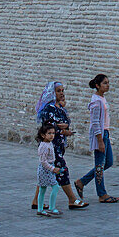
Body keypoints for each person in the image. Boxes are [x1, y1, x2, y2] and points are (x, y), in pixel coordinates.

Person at [32, 81, 88, 210]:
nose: (61, 93)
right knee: (62, 170)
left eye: (63, 90)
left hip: (59, 145)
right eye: (58, 91)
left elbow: (65, 122)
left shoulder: (60, 107)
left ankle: (36, 200)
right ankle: (72, 199)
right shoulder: (49, 109)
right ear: (52, 93)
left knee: (45, 173)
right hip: (51, 146)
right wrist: (61, 130)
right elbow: (47, 128)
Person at [74, 73, 119, 204]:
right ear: (97, 85)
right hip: (100, 135)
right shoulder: (96, 101)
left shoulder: (102, 99)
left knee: (108, 162)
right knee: (99, 165)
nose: (107, 85)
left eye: (108, 82)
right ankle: (102, 194)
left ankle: (82, 181)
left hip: (106, 133)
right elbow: (94, 122)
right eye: (104, 83)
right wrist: (100, 140)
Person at [35, 121, 63, 217]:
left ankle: (40, 209)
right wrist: (52, 168)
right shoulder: (44, 146)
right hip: (45, 170)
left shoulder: (49, 144)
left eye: (53, 133)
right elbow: (43, 161)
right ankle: (51, 207)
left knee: (43, 188)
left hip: (48, 168)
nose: (52, 135)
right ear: (43, 135)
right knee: (54, 186)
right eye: (49, 133)